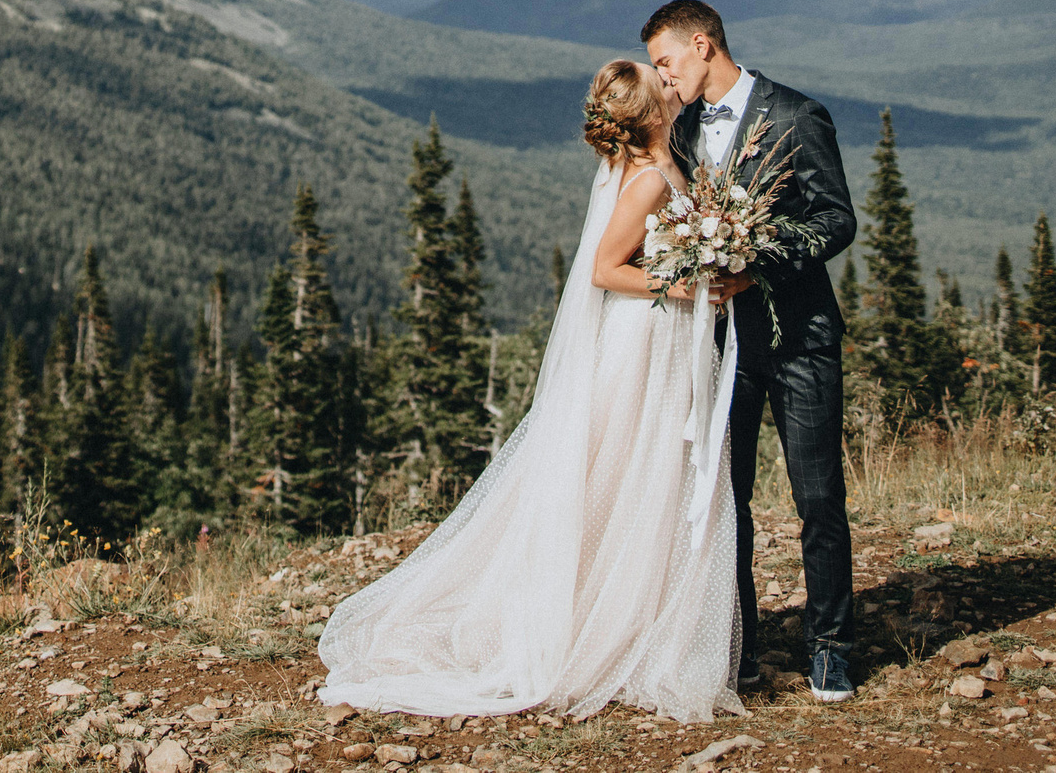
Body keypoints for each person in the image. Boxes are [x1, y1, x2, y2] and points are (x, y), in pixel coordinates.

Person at [316, 59, 741, 721]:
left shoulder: (663, 163)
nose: (671, 85)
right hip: (646, 339)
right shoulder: (649, 180)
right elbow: (605, 268)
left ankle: (637, 622)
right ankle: (602, 628)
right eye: (663, 86)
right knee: (632, 468)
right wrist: (687, 286)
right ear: (652, 113)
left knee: (648, 476)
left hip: (666, 335)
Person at [642, 0, 858, 704]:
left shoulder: (797, 116)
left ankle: (831, 645)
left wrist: (758, 254)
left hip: (800, 338)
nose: (662, 79)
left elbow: (836, 218)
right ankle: (738, 645)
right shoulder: (680, 131)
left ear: (702, 45)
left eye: (666, 62)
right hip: (723, 343)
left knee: (818, 495)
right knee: (724, 498)